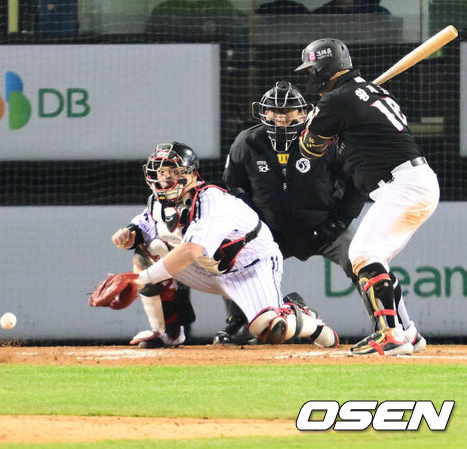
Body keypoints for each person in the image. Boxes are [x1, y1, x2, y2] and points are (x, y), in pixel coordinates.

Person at [110, 142, 339, 349]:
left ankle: (304, 317)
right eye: (161, 173)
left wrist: (139, 280)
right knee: (148, 253)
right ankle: (167, 333)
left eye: (174, 172)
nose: (166, 178)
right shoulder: (159, 203)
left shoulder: (211, 200)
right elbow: (144, 224)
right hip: (211, 270)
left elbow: (190, 251)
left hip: (251, 268)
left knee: (271, 330)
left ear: (191, 174)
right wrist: (129, 233)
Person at [295, 38, 438, 356]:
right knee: (375, 259)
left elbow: (311, 149)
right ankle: (408, 332)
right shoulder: (369, 93)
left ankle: (391, 335)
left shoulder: (336, 101)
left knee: (363, 254)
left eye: (312, 69)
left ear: (323, 68)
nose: (310, 77)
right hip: (412, 181)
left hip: (403, 184)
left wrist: (311, 124)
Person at [215, 80, 369, 345]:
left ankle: (387, 323)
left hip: (326, 227)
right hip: (269, 232)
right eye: (274, 111)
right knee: (232, 258)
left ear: (303, 112)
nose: (281, 117)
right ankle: (238, 323)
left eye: (288, 111)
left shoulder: (325, 139)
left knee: (365, 261)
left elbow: (357, 181)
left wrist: (341, 220)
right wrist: (254, 225)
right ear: (262, 112)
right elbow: (233, 187)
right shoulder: (247, 142)